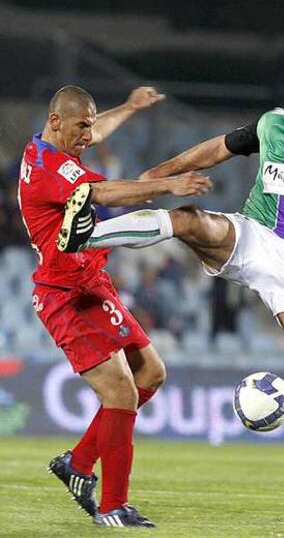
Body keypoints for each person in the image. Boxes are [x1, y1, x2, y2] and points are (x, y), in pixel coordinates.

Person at [59, 0, 284, 511]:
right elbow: (217, 147)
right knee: (191, 222)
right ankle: (87, 232)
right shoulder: (272, 126)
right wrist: (165, 173)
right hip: (251, 236)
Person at [18, 85, 212, 528]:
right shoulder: (49, 169)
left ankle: (79, 463)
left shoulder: (53, 148)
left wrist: (129, 106)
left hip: (91, 282)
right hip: (65, 295)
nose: (89, 134)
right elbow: (102, 195)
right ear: (55, 122)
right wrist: (168, 185)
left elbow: (95, 130)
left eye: (90, 123)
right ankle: (112, 506)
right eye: (81, 126)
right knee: (121, 392)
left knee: (151, 373)